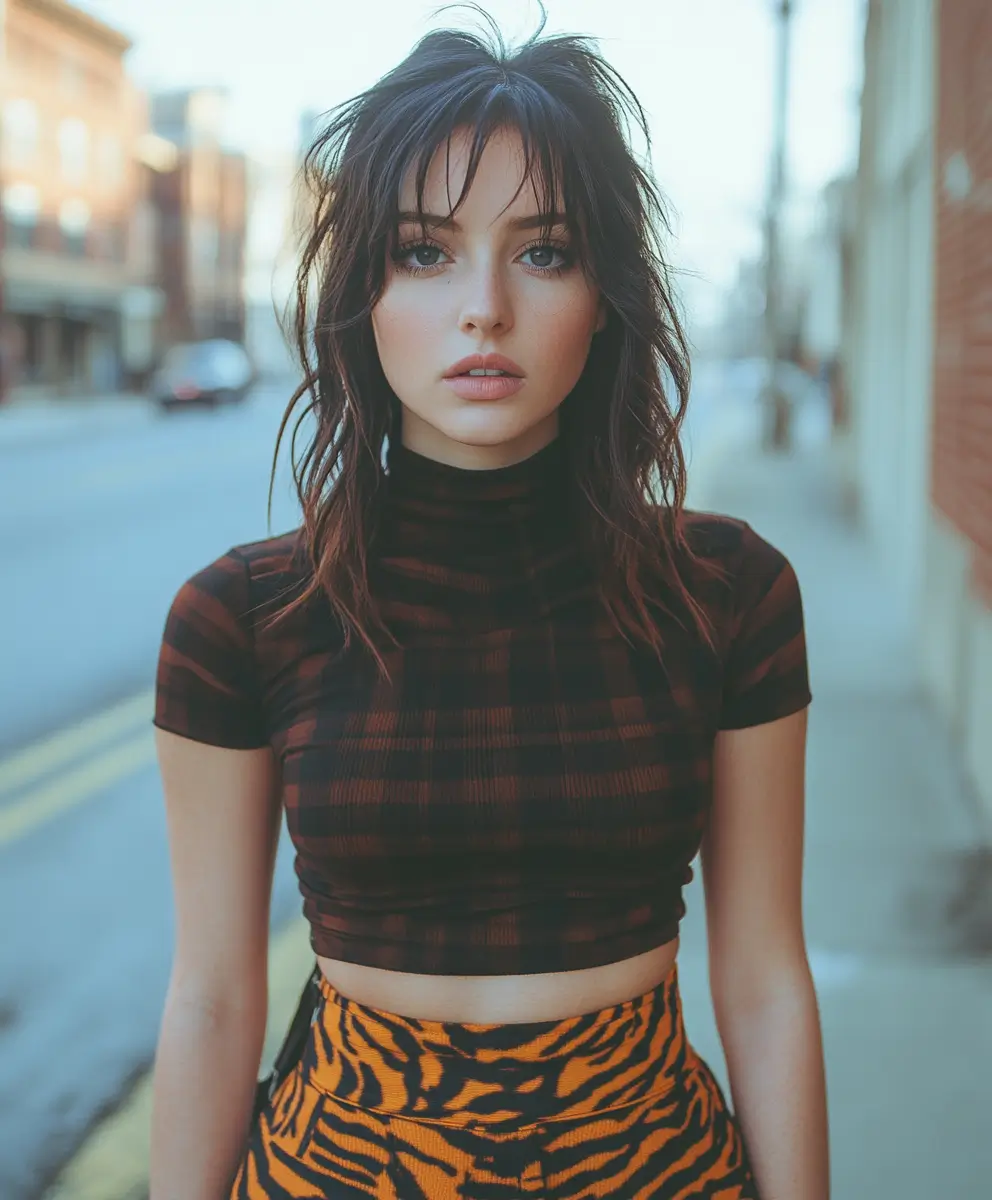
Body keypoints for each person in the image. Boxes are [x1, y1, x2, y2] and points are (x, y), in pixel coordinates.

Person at [149, 7, 829, 1198]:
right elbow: (209, 994)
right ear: (361, 290)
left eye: (543, 250)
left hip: (654, 1169)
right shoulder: (241, 618)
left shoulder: (728, 594)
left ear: (606, 291)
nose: (483, 308)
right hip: (338, 1169)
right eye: (424, 251)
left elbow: (765, 977)